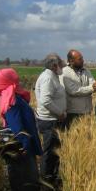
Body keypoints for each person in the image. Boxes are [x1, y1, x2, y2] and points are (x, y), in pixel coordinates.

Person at [0, 68, 42, 191]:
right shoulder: (11, 100)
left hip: (23, 142)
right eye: (15, 78)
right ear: (9, 81)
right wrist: (25, 146)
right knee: (24, 174)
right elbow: (17, 127)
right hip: (21, 145)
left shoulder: (12, 96)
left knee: (24, 172)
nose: (18, 80)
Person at [35, 53, 66, 183]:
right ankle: (46, 180)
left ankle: (51, 177)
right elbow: (46, 101)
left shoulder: (52, 76)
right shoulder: (48, 78)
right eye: (60, 64)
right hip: (49, 121)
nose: (62, 67)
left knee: (53, 152)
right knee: (48, 153)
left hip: (52, 120)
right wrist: (60, 113)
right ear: (54, 65)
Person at [60, 49, 95, 129]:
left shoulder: (86, 71)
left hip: (87, 111)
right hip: (73, 111)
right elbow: (74, 91)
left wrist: (92, 87)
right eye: (80, 59)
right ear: (71, 61)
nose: (83, 61)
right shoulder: (64, 73)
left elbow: (93, 83)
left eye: (82, 58)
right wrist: (91, 88)